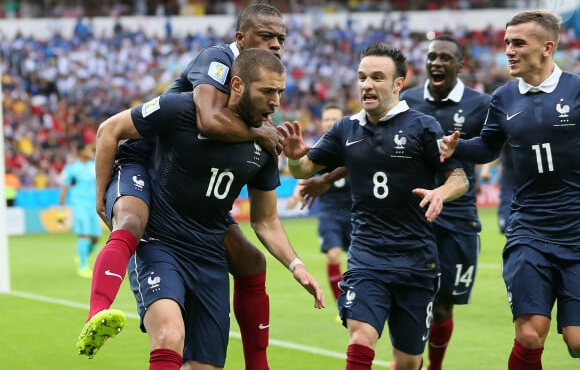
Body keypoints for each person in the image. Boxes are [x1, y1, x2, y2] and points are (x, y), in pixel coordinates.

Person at [76, 4, 287, 367]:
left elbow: (266, 210)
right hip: (143, 159)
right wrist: (101, 195)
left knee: (251, 260)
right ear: (241, 39)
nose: (276, 45)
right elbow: (206, 120)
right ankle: (97, 311)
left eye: (281, 38)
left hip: (186, 183)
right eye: (266, 36)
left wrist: (274, 140)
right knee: (131, 219)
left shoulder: (258, 80)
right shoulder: (217, 59)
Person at [96, 48, 324, 370]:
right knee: (170, 334)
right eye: (267, 91)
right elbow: (111, 130)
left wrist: (296, 264)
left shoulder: (266, 146)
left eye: (280, 92)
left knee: (205, 366)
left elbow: (266, 219)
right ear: (238, 85)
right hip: (159, 243)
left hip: (209, 255)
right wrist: (103, 193)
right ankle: (97, 306)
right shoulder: (184, 109)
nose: (276, 101)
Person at [278, 44, 469, 370]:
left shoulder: (423, 127)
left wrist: (441, 192)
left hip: (417, 259)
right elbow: (304, 170)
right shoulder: (345, 129)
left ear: (398, 83)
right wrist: (295, 158)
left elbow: (459, 178)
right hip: (368, 256)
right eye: (362, 77)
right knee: (360, 337)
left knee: (408, 362)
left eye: (377, 77)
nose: (366, 84)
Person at [438, 9, 580, 368]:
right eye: (506, 44)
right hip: (530, 227)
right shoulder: (503, 98)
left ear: (547, 47)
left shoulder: (577, 90)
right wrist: (458, 148)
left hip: (577, 230)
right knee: (530, 332)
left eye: (519, 43)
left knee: (578, 342)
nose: (509, 51)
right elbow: (487, 147)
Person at [400, 34, 491, 370]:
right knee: (413, 296)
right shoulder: (408, 100)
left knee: (443, 307)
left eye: (445, 58)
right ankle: (409, 360)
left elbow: (495, 147)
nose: (437, 63)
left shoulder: (481, 105)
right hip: (416, 212)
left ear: (459, 65)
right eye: (432, 56)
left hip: (458, 215)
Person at [286, 103, 352, 309]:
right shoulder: (318, 149)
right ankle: (342, 305)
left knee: (358, 262)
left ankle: (358, 300)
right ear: (321, 122)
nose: (330, 123)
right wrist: (296, 195)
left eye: (335, 119)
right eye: (327, 119)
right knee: (333, 254)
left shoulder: (355, 145)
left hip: (355, 211)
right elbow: (305, 173)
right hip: (329, 211)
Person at [58, 142, 102, 278]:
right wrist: (61, 206)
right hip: (79, 204)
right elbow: (64, 186)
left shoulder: (93, 166)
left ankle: (81, 255)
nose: (91, 152)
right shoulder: (72, 169)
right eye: (88, 150)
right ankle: (83, 266)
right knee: (84, 234)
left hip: (93, 204)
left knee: (96, 238)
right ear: (81, 152)